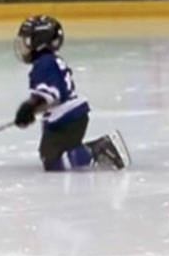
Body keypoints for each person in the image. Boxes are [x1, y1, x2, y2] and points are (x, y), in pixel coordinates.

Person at [13, 15, 129, 171]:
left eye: (27, 41)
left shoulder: (44, 64)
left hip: (67, 119)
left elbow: (50, 93)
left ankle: (99, 150)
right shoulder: (49, 61)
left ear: (38, 42)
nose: (24, 46)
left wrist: (30, 106)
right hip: (67, 117)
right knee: (49, 155)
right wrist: (31, 111)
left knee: (53, 162)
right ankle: (94, 150)